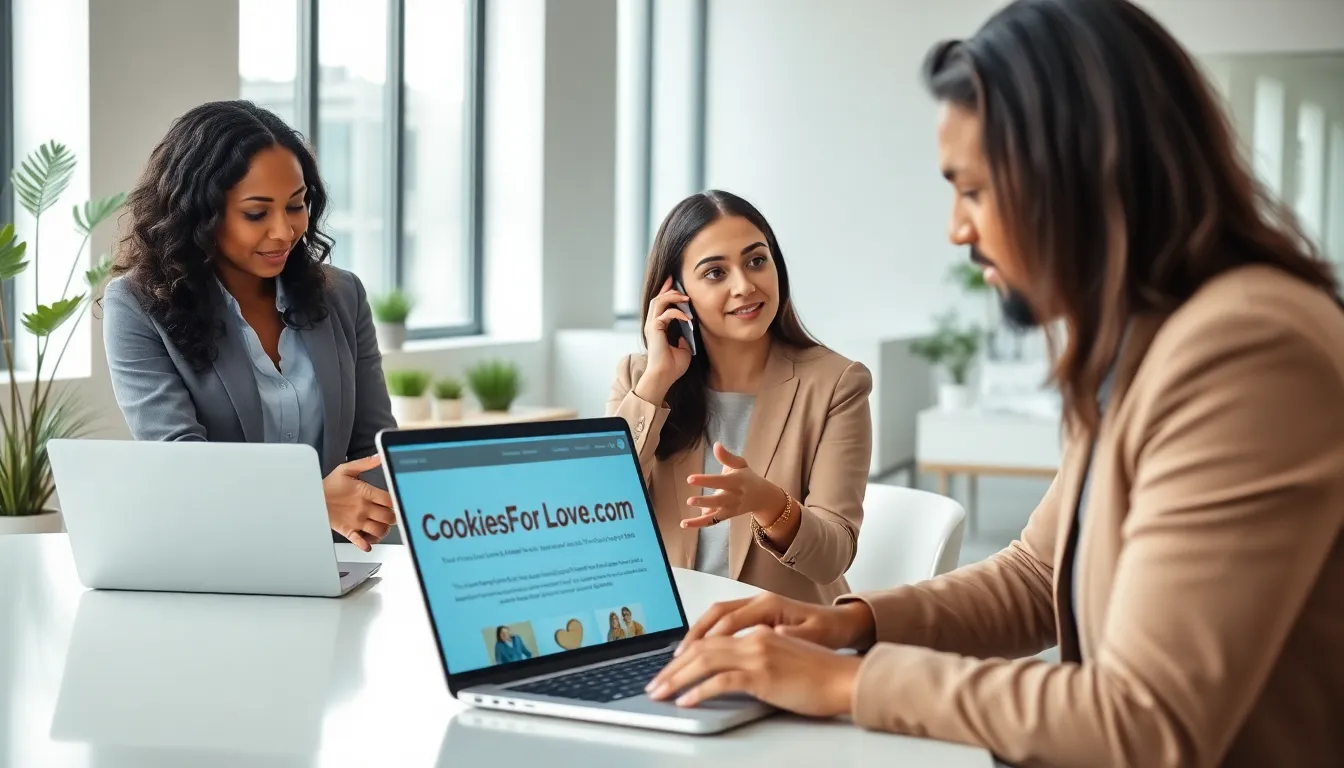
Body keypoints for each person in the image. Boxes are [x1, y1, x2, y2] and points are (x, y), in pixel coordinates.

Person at [645, 1, 1344, 765]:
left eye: (974, 190)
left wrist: (848, 682)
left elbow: (1146, 720)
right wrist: (851, 625)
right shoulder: (1139, 346)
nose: (958, 229)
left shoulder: (1246, 350)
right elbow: (1038, 575)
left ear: (1078, 174)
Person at [103, 100, 398, 552]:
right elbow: (183, 467)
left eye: (296, 205)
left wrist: (376, 535)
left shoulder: (342, 295)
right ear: (200, 212)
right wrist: (311, 502)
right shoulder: (138, 305)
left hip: (338, 560)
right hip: (215, 561)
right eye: (257, 214)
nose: (284, 231)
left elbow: (375, 450)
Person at [607, 190, 872, 604]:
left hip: (783, 630)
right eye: (715, 273)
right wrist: (657, 380)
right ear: (676, 292)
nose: (745, 286)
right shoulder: (639, 379)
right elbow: (601, 513)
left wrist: (768, 503)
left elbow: (832, 558)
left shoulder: (837, 383)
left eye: (756, 261)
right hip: (675, 626)